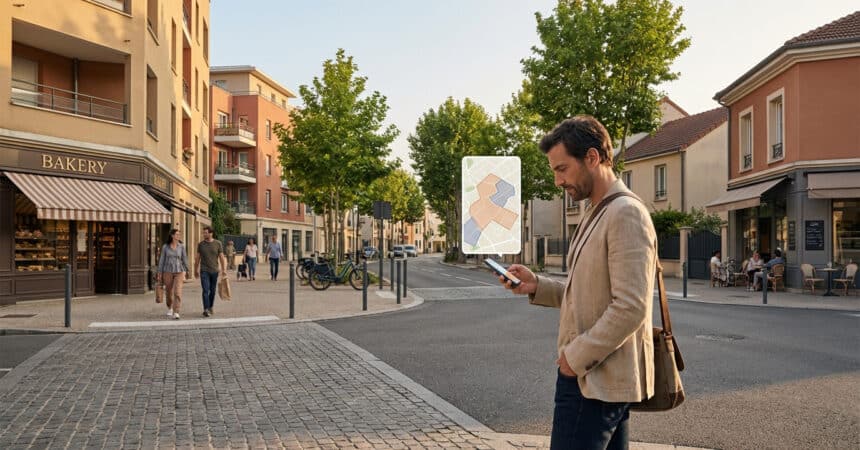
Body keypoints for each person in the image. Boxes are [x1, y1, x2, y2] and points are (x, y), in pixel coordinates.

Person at [499, 115, 656, 449]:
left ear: (592, 158)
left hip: (594, 380)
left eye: (562, 169)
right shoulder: (595, 211)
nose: (558, 181)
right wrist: (537, 285)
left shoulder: (625, 212)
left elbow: (631, 306)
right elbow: (590, 291)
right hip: (594, 378)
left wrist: (575, 358)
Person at [195, 226, 227, 317]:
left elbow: (221, 257)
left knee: (212, 290)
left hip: (214, 271)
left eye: (205, 232)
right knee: (205, 290)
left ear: (211, 233)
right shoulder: (201, 244)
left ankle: (210, 306)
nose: (204, 234)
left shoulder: (218, 243)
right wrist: (195, 270)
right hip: (204, 270)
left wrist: (224, 269)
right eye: (203, 233)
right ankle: (205, 309)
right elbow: (197, 258)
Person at [157, 228, 188, 320]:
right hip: (167, 271)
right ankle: (170, 307)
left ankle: (176, 311)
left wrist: (186, 270)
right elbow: (162, 260)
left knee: (177, 292)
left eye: (179, 234)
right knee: (169, 292)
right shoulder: (165, 247)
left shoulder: (181, 246)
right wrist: (159, 272)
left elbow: (184, 259)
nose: (178, 236)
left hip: (179, 271)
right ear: (172, 236)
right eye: (177, 234)